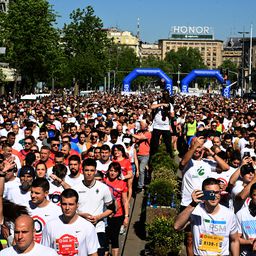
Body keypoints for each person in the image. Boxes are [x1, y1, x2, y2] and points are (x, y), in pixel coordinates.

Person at [174, 177, 239, 256]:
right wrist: (193, 204)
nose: (214, 196)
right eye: (210, 193)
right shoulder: (195, 210)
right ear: (203, 194)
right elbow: (177, 226)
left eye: (216, 192)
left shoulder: (229, 214)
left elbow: (234, 241)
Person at [73, 158, 115, 256]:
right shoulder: (75, 188)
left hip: (98, 229)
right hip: (80, 229)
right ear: (82, 171)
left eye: (92, 170)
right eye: (86, 170)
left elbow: (111, 208)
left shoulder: (103, 188)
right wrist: (81, 215)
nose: (89, 173)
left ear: (95, 171)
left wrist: (98, 217)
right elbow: (69, 210)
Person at [41, 188, 99, 256]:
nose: (67, 208)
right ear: (60, 204)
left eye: (71, 204)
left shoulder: (88, 227)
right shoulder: (50, 226)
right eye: (64, 204)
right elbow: (44, 252)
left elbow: (93, 254)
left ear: (77, 205)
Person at [104, 162, 129, 256]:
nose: (112, 173)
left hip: (118, 215)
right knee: (105, 239)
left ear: (119, 172)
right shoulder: (103, 181)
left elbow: (125, 201)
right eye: (111, 170)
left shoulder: (122, 183)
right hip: (104, 214)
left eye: (115, 171)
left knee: (114, 238)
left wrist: (126, 216)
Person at [28, 178, 62, 243]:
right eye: (31, 192)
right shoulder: (24, 207)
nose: (33, 195)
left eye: (37, 193)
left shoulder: (57, 211)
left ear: (46, 193)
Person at [150, 89, 174, 157]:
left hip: (166, 127)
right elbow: (152, 107)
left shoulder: (170, 105)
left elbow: (173, 115)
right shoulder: (157, 102)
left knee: (168, 144)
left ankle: (170, 156)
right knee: (155, 144)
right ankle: (153, 156)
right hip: (157, 126)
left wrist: (168, 112)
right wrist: (161, 104)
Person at [236, 182, 256, 255]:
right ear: (250, 196)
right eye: (255, 195)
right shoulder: (240, 214)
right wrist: (250, 242)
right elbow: (235, 239)